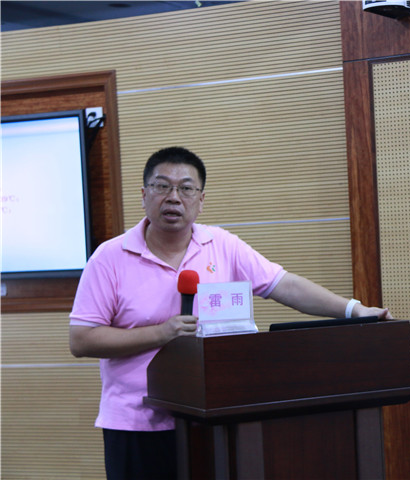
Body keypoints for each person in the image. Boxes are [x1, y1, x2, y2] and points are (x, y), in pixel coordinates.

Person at [69, 146, 392, 480]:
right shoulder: (110, 258)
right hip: (137, 424)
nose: (173, 197)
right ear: (144, 195)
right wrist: (161, 333)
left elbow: (285, 285)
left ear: (201, 200)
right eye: (162, 186)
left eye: (186, 188)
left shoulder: (223, 245)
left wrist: (354, 310)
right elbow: (81, 339)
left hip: (214, 415)